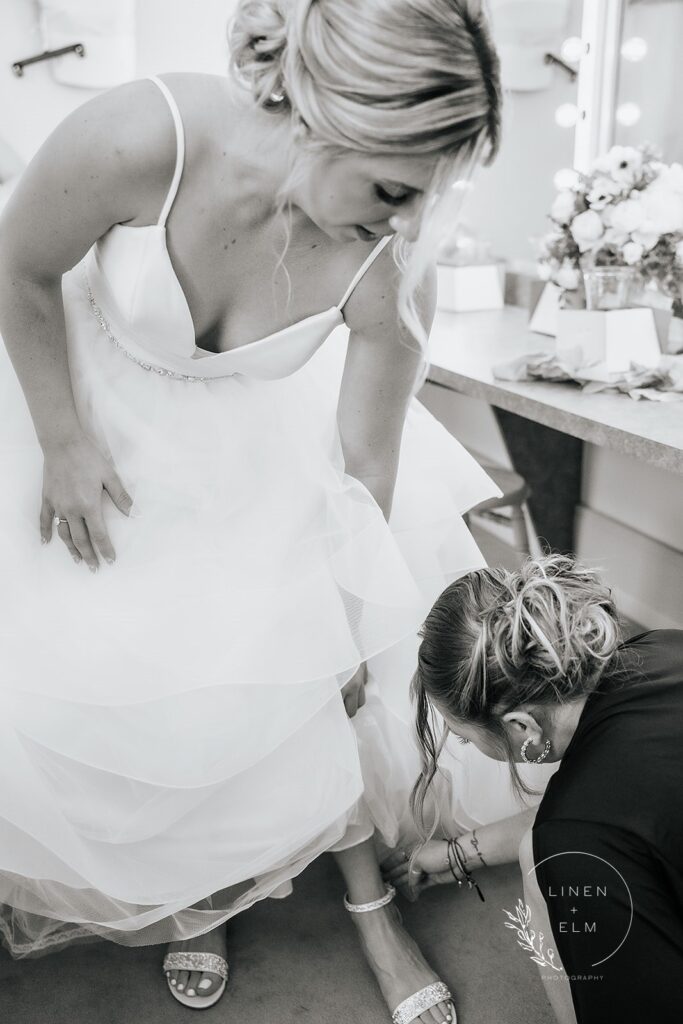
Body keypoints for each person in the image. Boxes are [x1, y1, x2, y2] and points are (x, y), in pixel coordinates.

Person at [0, 0, 504, 1019]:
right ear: (326, 115)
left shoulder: (390, 261)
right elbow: (18, 263)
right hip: (82, 412)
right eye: (394, 188)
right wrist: (61, 439)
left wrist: (339, 618)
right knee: (95, 674)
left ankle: (371, 913)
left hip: (254, 456)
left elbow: (364, 465)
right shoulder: (146, 134)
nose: (409, 222)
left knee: (289, 680)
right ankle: (201, 899)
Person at [405, 554, 683, 1024]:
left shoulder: (574, 841)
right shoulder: (664, 646)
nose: (455, 741)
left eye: (462, 733)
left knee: (542, 859)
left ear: (521, 727)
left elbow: (595, 824)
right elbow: (627, 810)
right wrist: (457, 853)